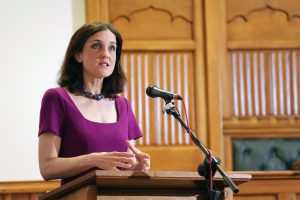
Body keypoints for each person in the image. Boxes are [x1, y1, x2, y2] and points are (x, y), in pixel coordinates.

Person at [38, 22, 150, 185]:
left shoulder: (122, 105)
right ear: (78, 55)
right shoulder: (57, 98)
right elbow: (47, 168)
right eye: (96, 46)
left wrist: (137, 168)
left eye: (112, 48)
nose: (106, 54)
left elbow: (124, 167)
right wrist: (92, 160)